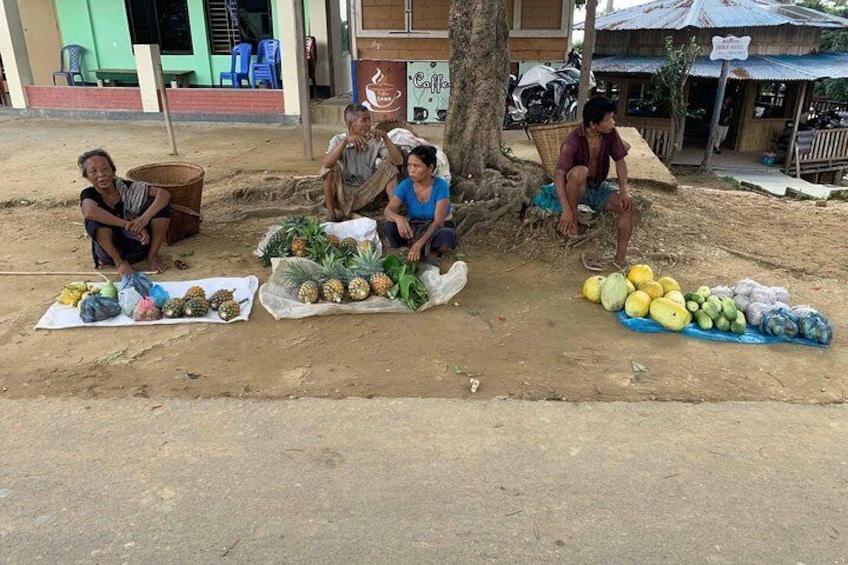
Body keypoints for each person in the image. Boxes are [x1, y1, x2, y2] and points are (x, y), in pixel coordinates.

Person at [554, 95, 634, 270]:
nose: (613, 122)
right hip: (576, 187)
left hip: (598, 187)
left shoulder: (611, 134)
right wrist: (566, 209)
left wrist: (624, 190)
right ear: (593, 124)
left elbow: (620, 161)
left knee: (628, 206)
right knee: (580, 172)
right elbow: (559, 175)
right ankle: (572, 224)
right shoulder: (573, 140)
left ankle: (619, 260)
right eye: (608, 119)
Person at [78, 149, 171, 277]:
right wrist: (128, 225)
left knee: (160, 207)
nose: (101, 175)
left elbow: (164, 194)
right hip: (111, 253)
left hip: (141, 245)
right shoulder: (89, 194)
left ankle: (153, 255)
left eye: (105, 169)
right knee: (93, 221)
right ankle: (120, 263)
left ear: (113, 171)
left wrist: (143, 219)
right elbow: (89, 211)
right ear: (86, 176)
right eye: (93, 171)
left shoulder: (126, 187)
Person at [320, 103, 404, 221]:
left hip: (368, 194)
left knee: (390, 167)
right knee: (328, 169)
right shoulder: (338, 140)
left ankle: (393, 212)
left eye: (369, 119)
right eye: (364, 121)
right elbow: (326, 164)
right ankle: (331, 214)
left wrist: (385, 137)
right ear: (351, 125)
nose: (369, 124)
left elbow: (398, 161)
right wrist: (345, 142)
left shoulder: (375, 141)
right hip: (343, 196)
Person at [383, 145, 457, 267]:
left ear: (430, 168)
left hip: (436, 227)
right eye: (409, 165)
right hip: (415, 225)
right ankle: (406, 250)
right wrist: (399, 219)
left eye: (416, 166)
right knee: (389, 225)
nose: (411, 170)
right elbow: (388, 210)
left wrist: (418, 244)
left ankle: (433, 252)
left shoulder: (440, 186)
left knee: (447, 235)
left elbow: (438, 222)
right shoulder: (405, 185)